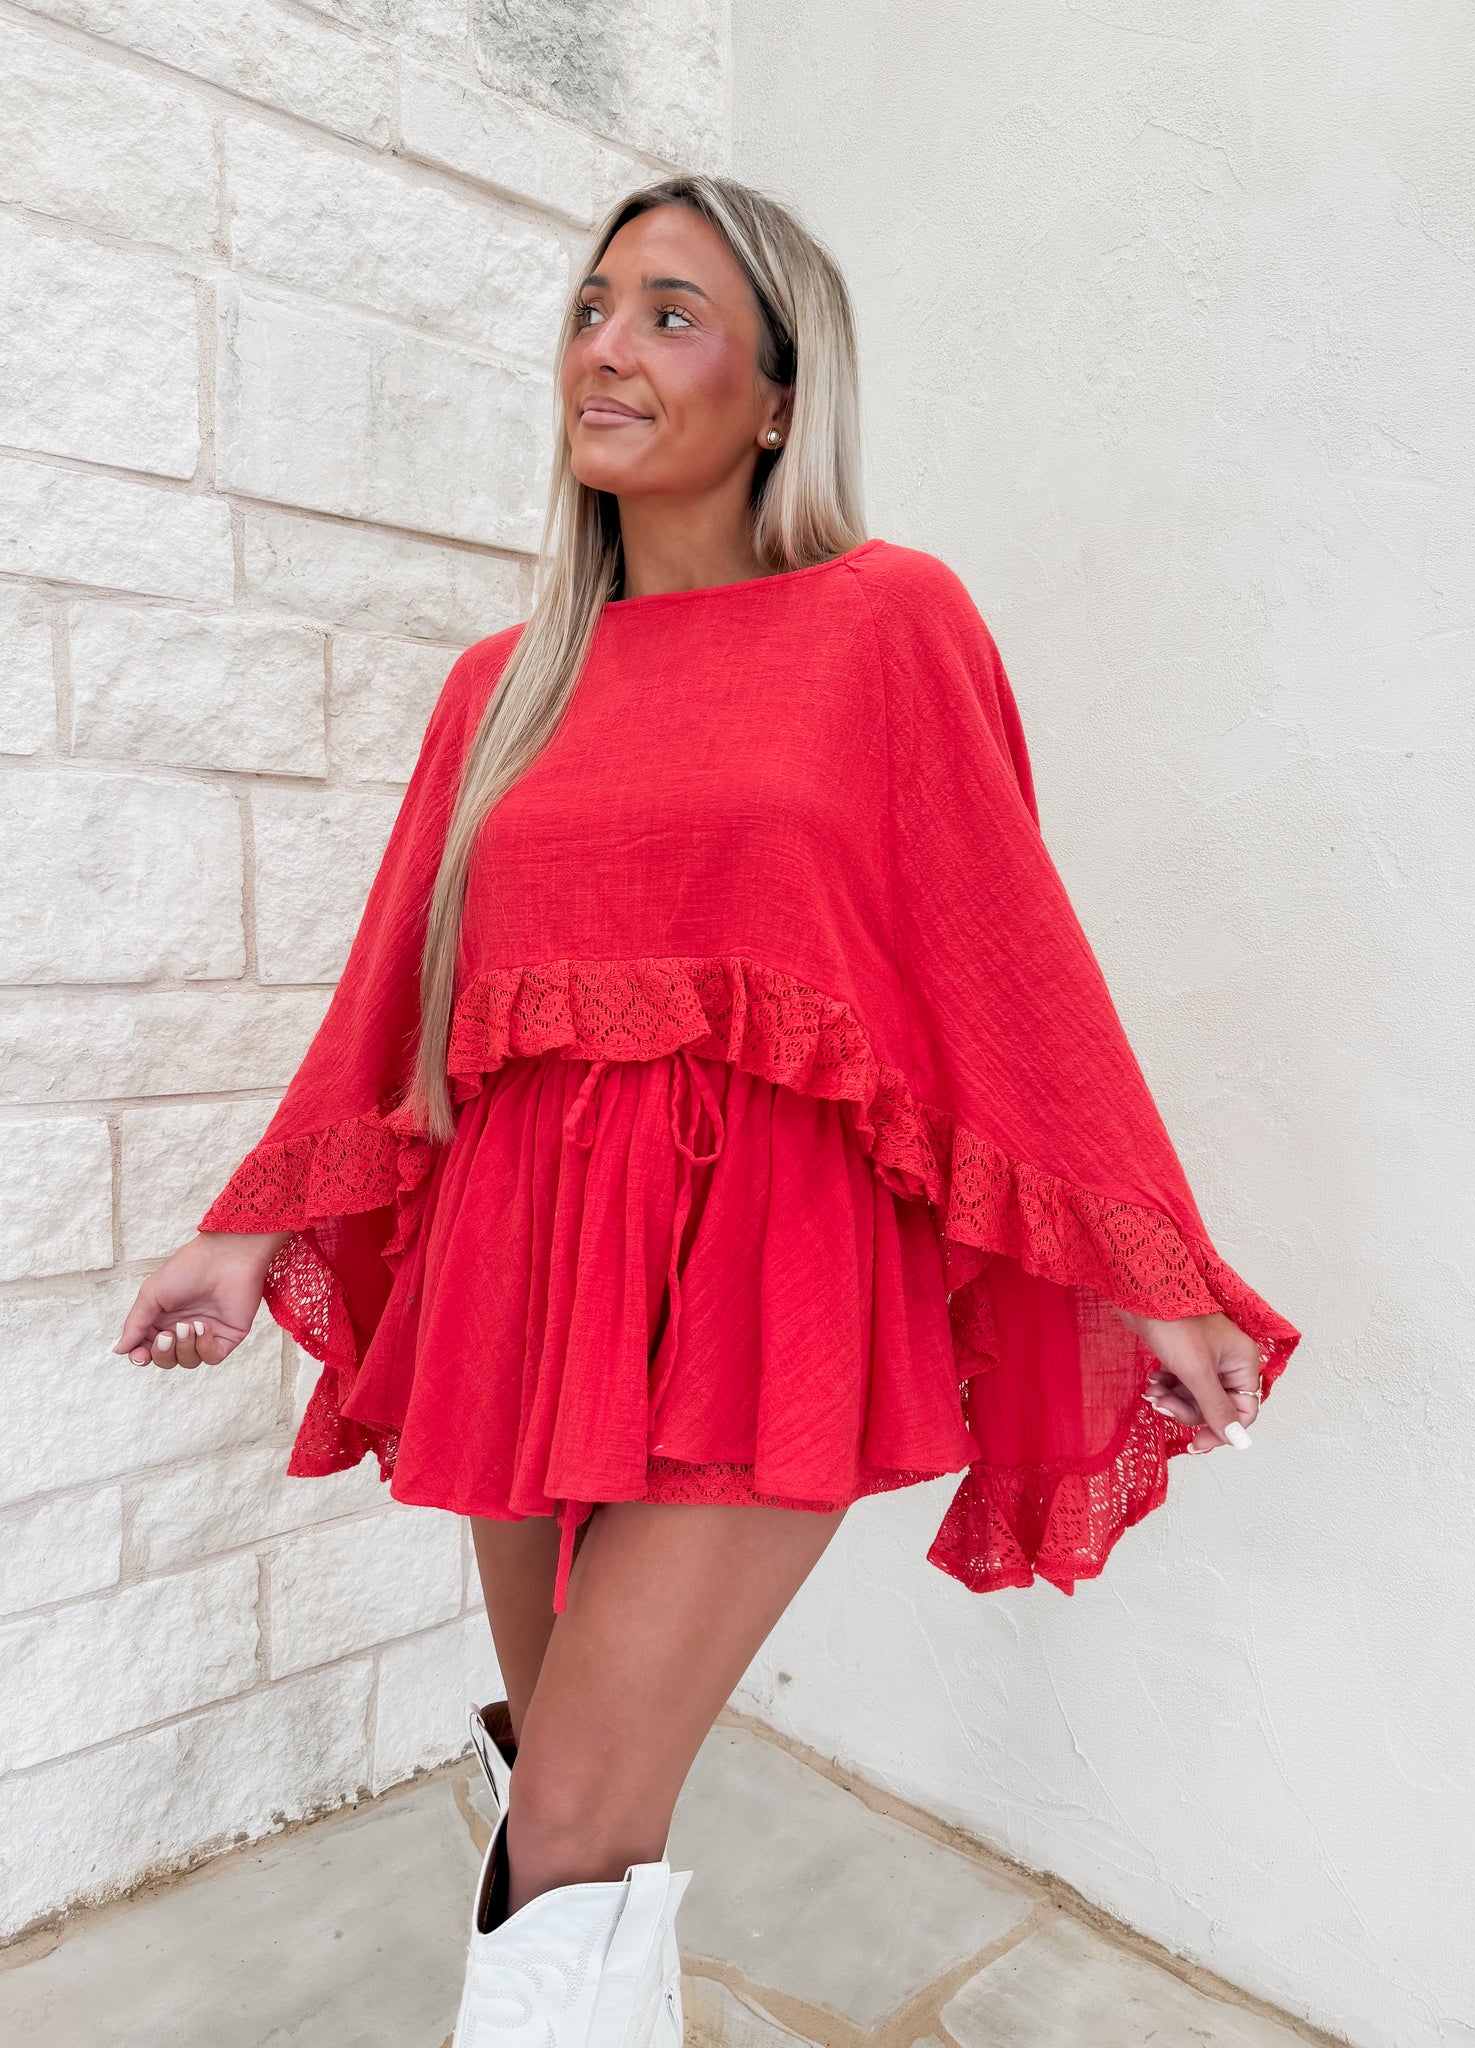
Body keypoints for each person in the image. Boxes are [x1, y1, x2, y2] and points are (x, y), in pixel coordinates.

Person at [114, 174, 1300, 2048]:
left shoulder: (887, 623)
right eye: (591, 309)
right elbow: (395, 992)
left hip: (770, 1267)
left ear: (778, 396)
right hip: (524, 1258)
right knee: (564, 1784)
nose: (606, 348)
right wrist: (246, 1227)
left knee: (572, 1814)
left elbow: (1006, 952)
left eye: (670, 314)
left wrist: (1152, 1263)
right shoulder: (503, 685)